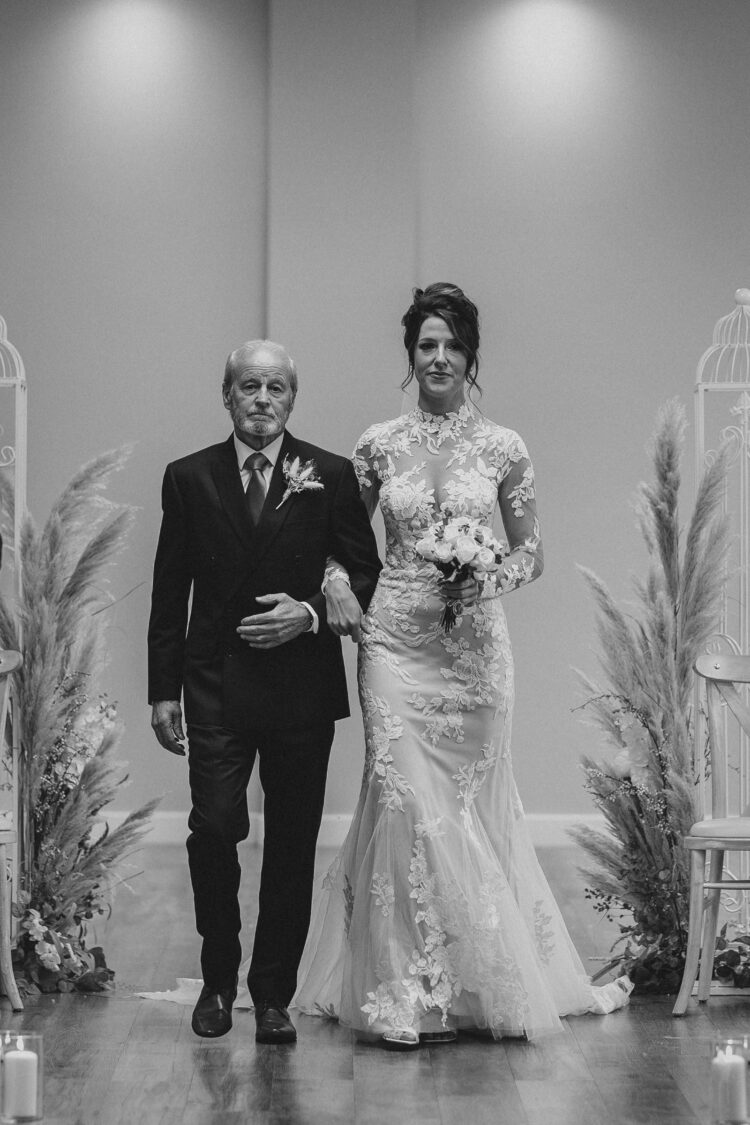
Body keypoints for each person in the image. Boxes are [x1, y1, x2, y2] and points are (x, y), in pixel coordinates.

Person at [293, 284, 631, 1047]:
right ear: (410, 358)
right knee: (405, 801)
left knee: (469, 809)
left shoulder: (504, 447)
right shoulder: (378, 443)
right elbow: (340, 539)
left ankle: (477, 983)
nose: (438, 356)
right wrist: (340, 582)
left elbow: (532, 551)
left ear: (471, 357)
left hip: (475, 649)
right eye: (425, 345)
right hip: (394, 644)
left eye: (450, 345)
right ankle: (406, 991)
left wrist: (486, 575)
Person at [147, 339, 381, 1043]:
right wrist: (163, 690)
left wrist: (309, 610)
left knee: (292, 841)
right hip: (214, 681)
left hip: (300, 687)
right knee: (215, 825)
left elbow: (366, 571)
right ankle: (218, 975)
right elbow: (168, 591)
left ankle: (272, 993)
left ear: (291, 398)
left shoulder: (331, 474)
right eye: (249, 386)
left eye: (276, 387)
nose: (262, 399)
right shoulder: (189, 477)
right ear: (227, 396)